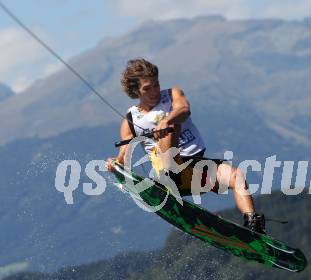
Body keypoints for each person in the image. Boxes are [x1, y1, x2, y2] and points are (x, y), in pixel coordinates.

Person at [106, 58, 266, 234]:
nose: (154, 91)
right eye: (147, 88)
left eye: (156, 84)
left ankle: (253, 226)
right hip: (168, 172)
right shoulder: (131, 120)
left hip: (195, 170)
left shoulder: (173, 95)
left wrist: (167, 119)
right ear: (136, 91)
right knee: (172, 129)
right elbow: (123, 154)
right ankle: (162, 183)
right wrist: (116, 163)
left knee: (237, 176)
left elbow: (184, 110)